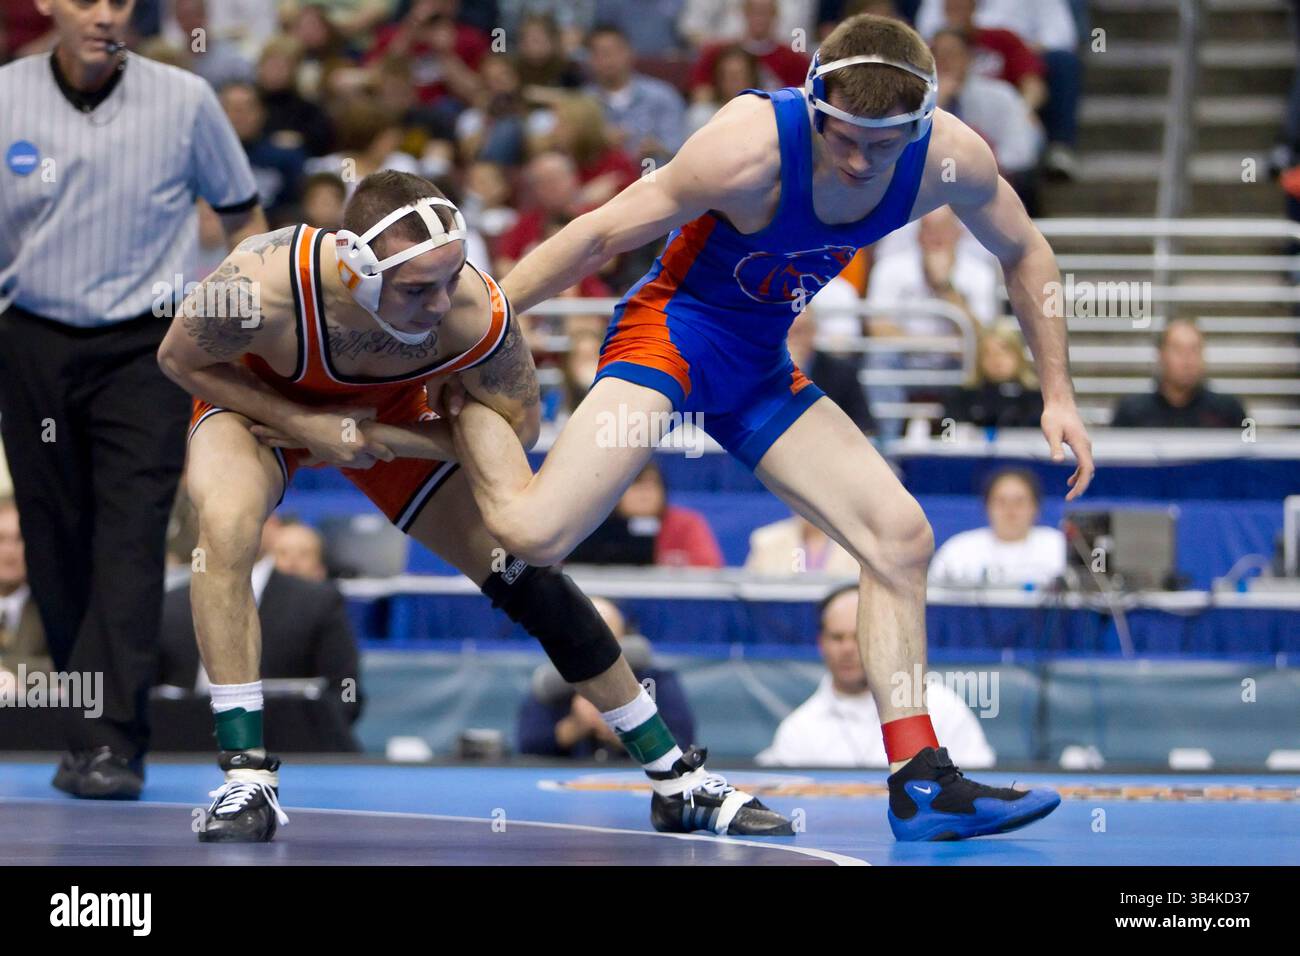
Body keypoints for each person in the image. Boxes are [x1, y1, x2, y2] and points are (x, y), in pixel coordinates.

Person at [446, 12, 1090, 841]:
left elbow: (1027, 252)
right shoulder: (746, 143)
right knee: (536, 533)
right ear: (813, 101)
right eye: (843, 137)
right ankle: (453, 404)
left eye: (881, 146)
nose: (859, 161)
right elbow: (603, 231)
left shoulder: (950, 157)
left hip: (756, 363)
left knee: (900, 538)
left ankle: (920, 783)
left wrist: (1059, 395)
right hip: (671, 336)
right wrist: (488, 322)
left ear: (920, 126)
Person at [156, 168, 789, 842]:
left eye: (450, 276)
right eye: (415, 289)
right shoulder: (260, 286)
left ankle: (675, 777)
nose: (436, 305)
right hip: (257, 398)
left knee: (522, 573)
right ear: (356, 268)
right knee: (222, 527)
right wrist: (305, 425)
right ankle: (246, 779)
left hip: (395, 418)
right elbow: (179, 361)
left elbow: (514, 432)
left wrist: (378, 438)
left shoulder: (471, 309)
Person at [0, 0, 266, 801]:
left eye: (120, 1)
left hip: (148, 347)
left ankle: (113, 743)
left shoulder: (185, 102)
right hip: (31, 339)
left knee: (131, 532)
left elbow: (243, 217)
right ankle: (88, 728)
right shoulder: (6, 95)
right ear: (48, 2)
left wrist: (239, 331)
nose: (106, 15)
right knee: (53, 538)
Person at [757, 584, 994, 766]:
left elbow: (977, 781)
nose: (847, 649)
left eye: (860, 636)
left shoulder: (939, 707)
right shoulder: (799, 730)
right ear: (821, 644)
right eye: (837, 638)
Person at [159, 517, 363, 724]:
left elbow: (347, 687)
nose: (231, 519)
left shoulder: (319, 602)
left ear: (273, 526)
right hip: (181, 742)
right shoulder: (169, 604)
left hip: (286, 742)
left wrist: (324, 729)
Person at [517, 596, 695, 758]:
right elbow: (528, 745)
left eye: (605, 641)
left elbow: (681, 743)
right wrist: (574, 727)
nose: (594, 653)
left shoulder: (654, 681)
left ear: (625, 639)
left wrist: (623, 732)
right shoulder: (553, 683)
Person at [928, 468, 1065, 587]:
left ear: (1036, 508)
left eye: (1019, 502)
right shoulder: (959, 548)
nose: (1010, 511)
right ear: (987, 507)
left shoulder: (1060, 546)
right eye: (1001, 502)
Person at [1110, 319, 1247, 429]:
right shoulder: (1132, 412)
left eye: (1194, 350)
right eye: (1178, 350)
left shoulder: (1228, 412)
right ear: (1161, 355)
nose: (1187, 359)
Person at [941, 322, 1043, 429]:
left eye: (1004, 350)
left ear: (1018, 353)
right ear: (979, 359)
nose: (996, 359)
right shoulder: (961, 397)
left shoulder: (1040, 396)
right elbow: (947, 437)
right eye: (987, 353)